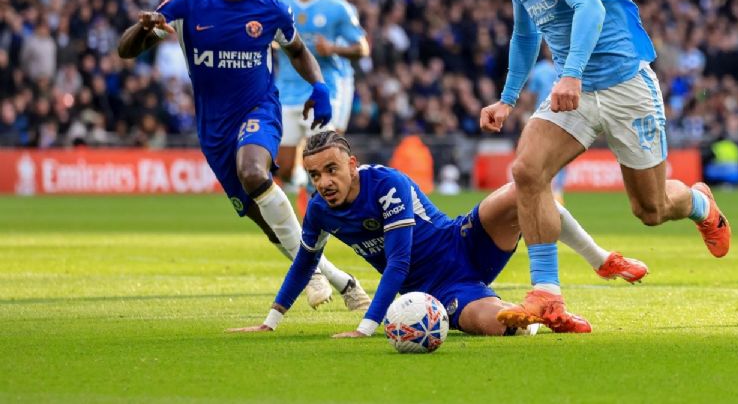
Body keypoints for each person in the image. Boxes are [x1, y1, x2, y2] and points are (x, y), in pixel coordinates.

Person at [475, 0, 731, 332]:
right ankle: (546, 293)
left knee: (650, 210)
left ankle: (698, 204)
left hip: (625, 85)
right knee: (527, 171)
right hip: (575, 91)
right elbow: (525, 32)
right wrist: (508, 99)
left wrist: (570, 72)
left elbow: (589, 8)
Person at [117, 0, 369, 311]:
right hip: (214, 130)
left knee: (255, 173)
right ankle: (339, 278)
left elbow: (298, 50)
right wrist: (143, 28)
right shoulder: (187, 5)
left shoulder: (269, 9)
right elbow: (126, 50)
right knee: (269, 223)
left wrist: (319, 87)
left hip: (259, 110)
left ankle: (314, 276)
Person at [227, 131, 650, 336]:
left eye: (332, 170)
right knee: (496, 325)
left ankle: (601, 260)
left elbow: (398, 261)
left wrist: (367, 327)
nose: (323, 182)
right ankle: (538, 319)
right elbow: (305, 261)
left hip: (462, 243)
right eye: (316, 174)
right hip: (432, 292)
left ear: (352, 164)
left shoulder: (386, 183)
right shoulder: (320, 210)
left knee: (523, 188)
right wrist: (270, 322)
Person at [273, 0, 370, 218]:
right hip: (287, 93)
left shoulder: (337, 8)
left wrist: (334, 48)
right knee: (282, 167)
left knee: (325, 158)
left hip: (323, 92)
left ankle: (336, 213)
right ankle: (305, 191)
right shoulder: (280, 4)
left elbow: (362, 48)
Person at [524, 44, 568, 203]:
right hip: (543, 118)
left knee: (560, 155)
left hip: (565, 117)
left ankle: (557, 191)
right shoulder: (539, 70)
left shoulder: (568, 67)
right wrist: (527, 113)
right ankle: (544, 189)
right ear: (544, 50)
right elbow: (531, 95)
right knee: (541, 156)